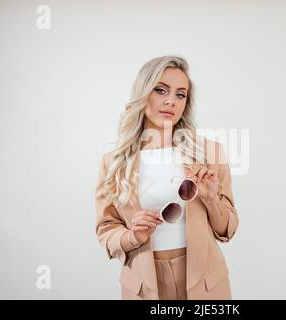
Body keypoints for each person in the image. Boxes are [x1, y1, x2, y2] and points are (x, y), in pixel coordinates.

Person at [94, 55, 239, 299]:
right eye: (161, 90)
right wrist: (132, 236)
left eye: (180, 94)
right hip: (144, 286)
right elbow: (106, 230)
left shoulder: (209, 152)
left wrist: (212, 200)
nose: (171, 101)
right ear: (143, 93)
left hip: (204, 283)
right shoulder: (113, 160)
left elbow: (228, 229)